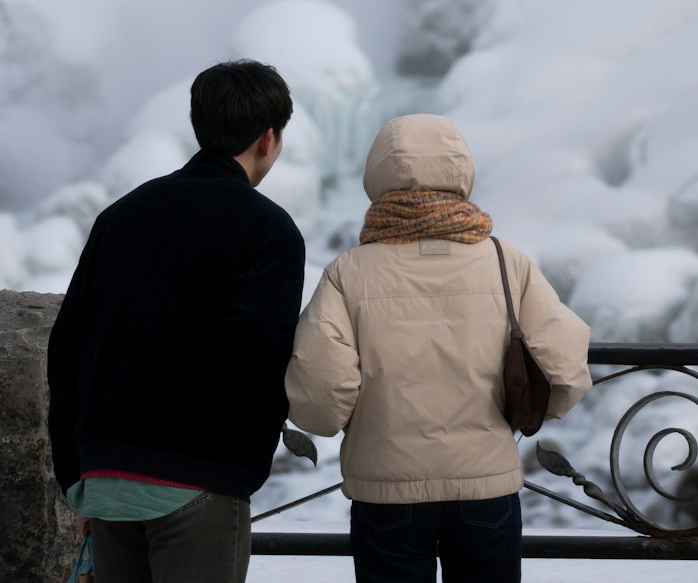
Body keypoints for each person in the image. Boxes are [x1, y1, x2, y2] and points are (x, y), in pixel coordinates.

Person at [286, 113, 592, 583]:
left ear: (377, 176)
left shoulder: (349, 272)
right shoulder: (505, 261)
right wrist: (524, 415)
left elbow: (321, 400)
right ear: (461, 172)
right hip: (486, 487)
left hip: (387, 494)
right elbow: (565, 371)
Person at [47, 59, 306, 583]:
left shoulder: (119, 217)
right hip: (200, 482)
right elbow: (257, 355)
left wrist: (80, 477)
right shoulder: (268, 230)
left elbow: (67, 348)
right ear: (269, 139)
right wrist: (240, 466)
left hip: (105, 481)